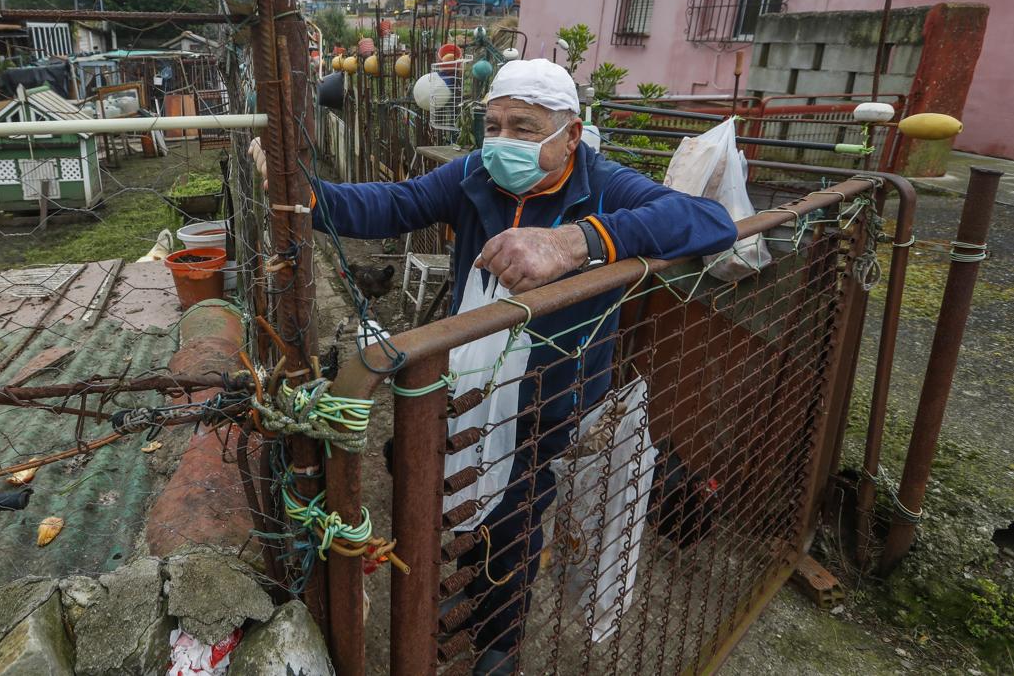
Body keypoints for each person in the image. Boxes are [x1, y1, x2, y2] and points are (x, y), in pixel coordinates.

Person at [252, 58, 737, 675]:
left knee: (514, 521)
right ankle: (448, 577)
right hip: (470, 387)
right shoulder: (474, 175)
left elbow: (711, 224)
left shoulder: (604, 184)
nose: (503, 141)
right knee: (427, 477)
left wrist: (574, 242)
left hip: (552, 397)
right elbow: (393, 204)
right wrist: (304, 196)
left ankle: (496, 643)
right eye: (494, 124)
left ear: (571, 132)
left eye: (524, 127)